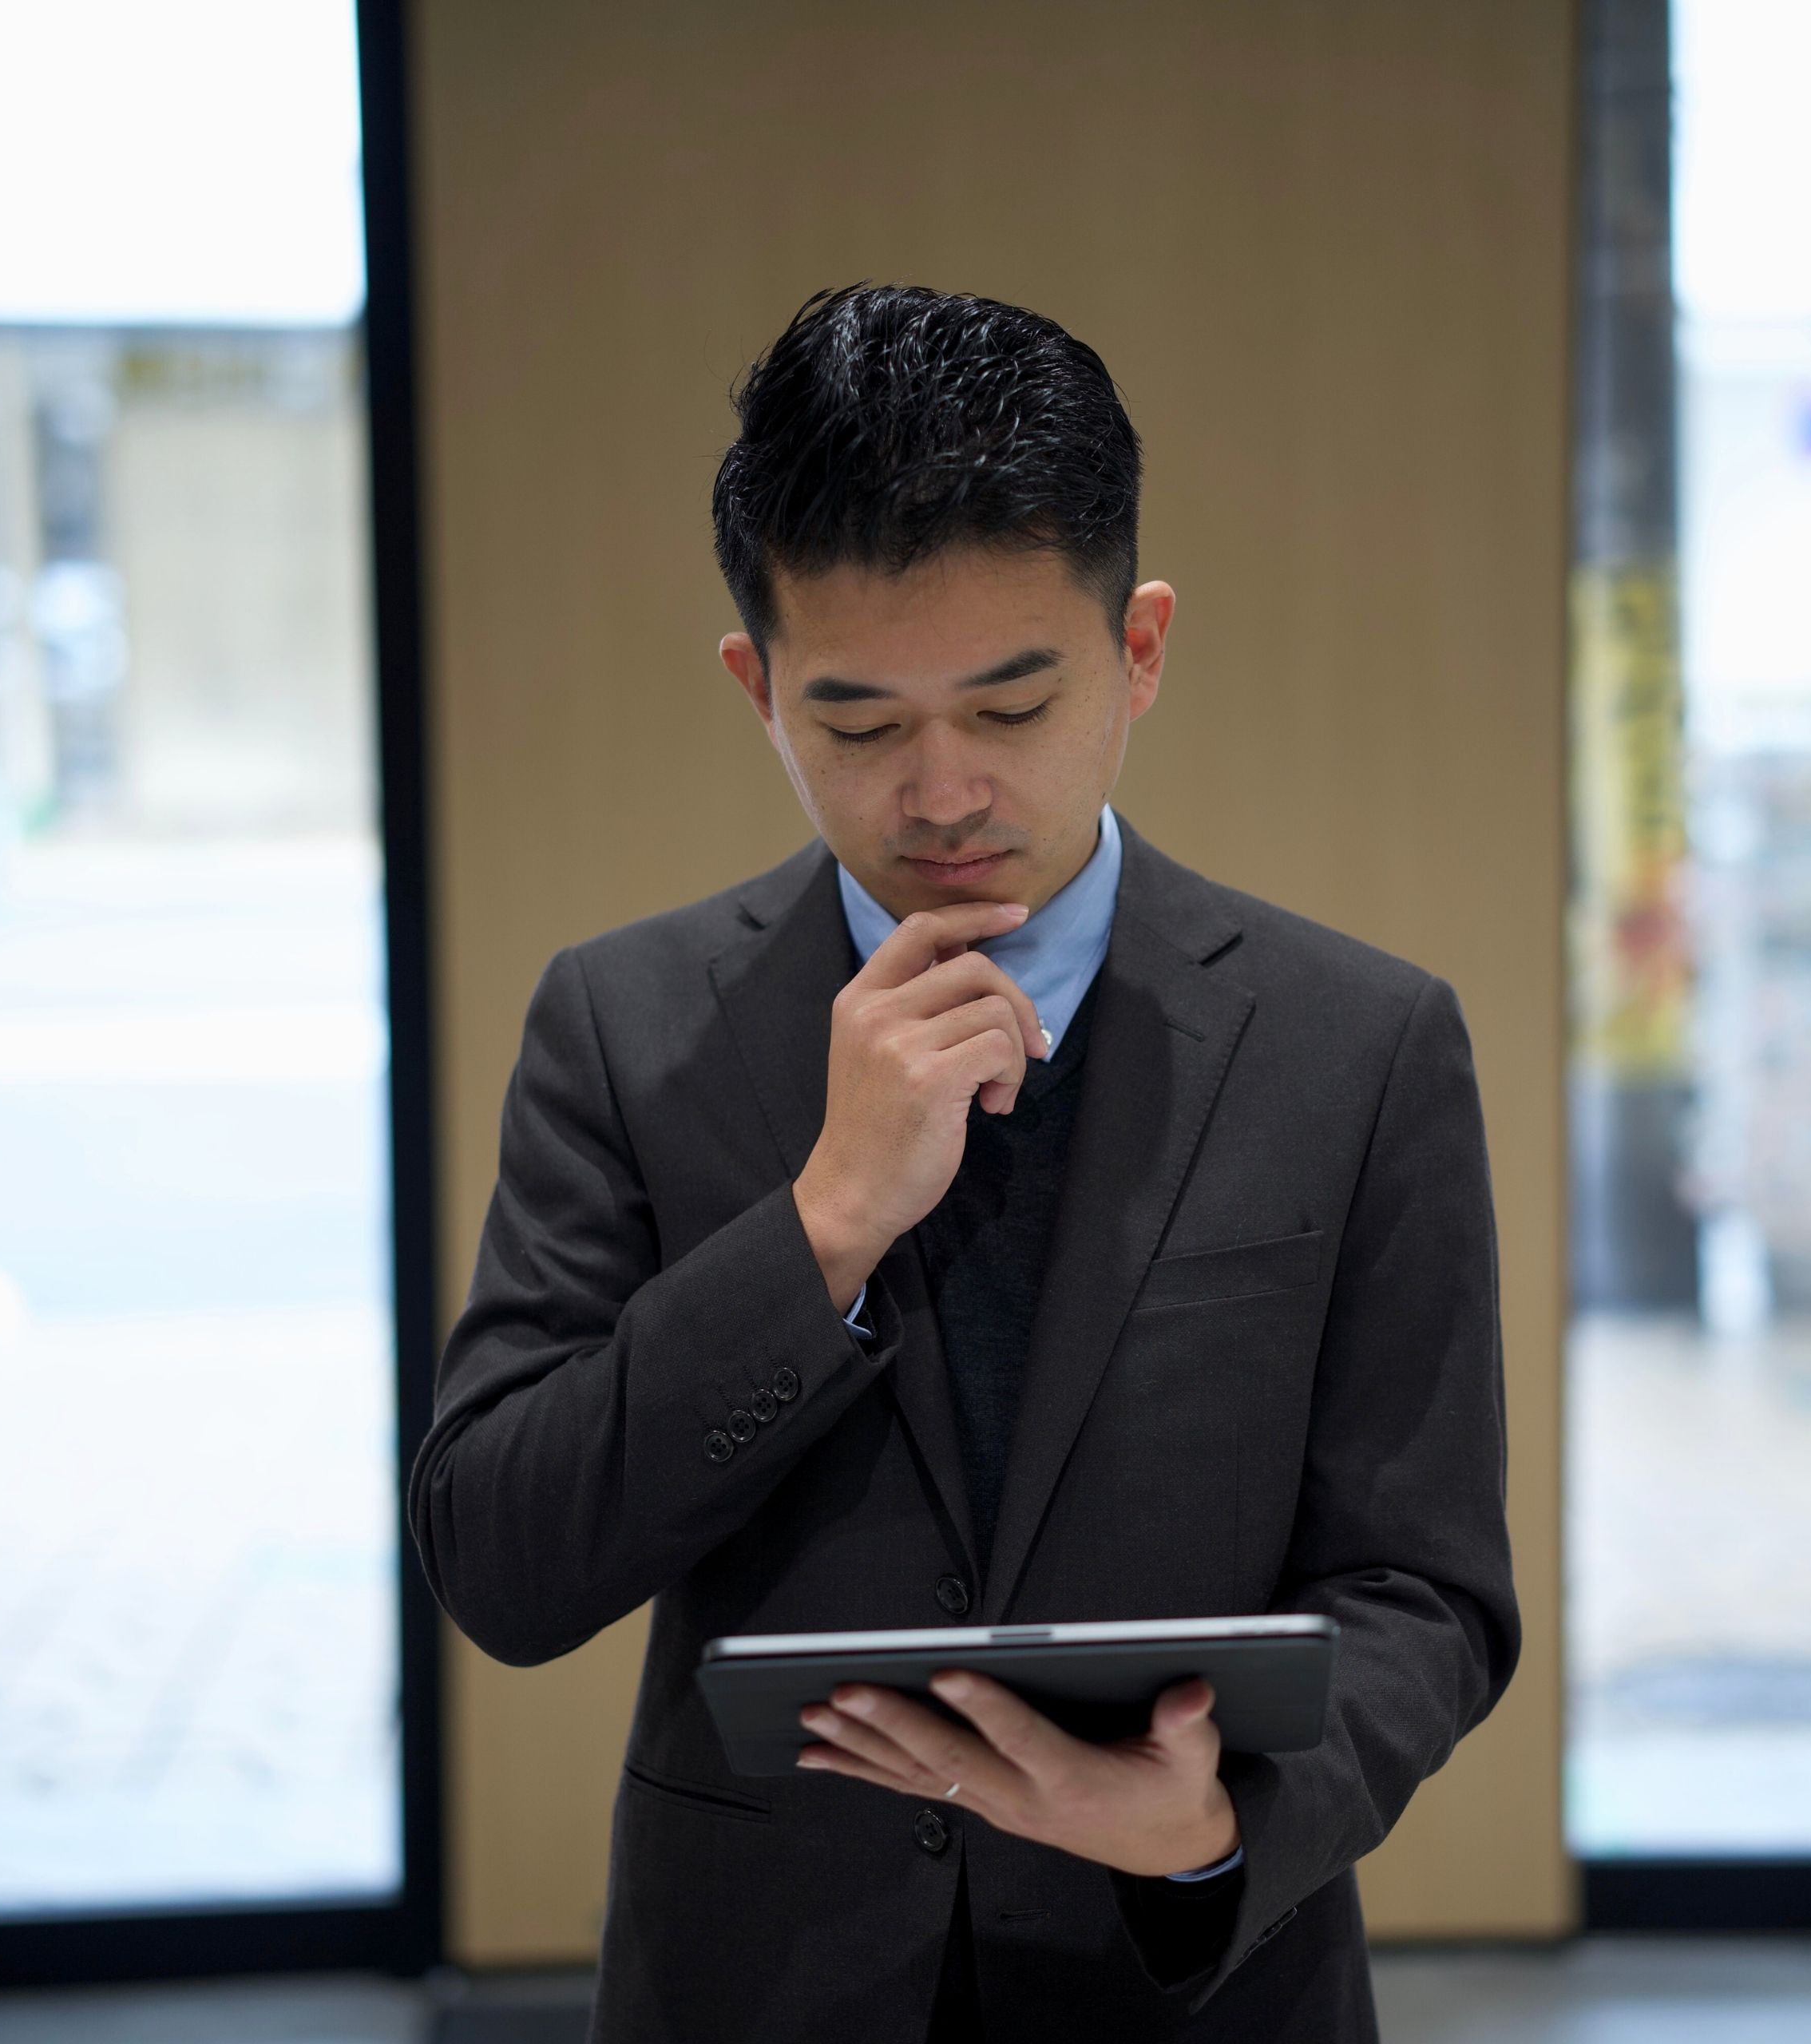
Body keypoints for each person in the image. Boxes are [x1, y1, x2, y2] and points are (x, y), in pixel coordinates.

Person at [410, 283, 1516, 2044]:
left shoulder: (1360, 1045)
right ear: (756, 688)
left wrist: (1217, 1820)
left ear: (1140, 648)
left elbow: (1429, 1585)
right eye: (857, 726)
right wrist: (824, 1223)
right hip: (761, 1984)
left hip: (1195, 1983)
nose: (940, 791)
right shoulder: (625, 1028)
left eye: (1012, 705)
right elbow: (505, 1560)